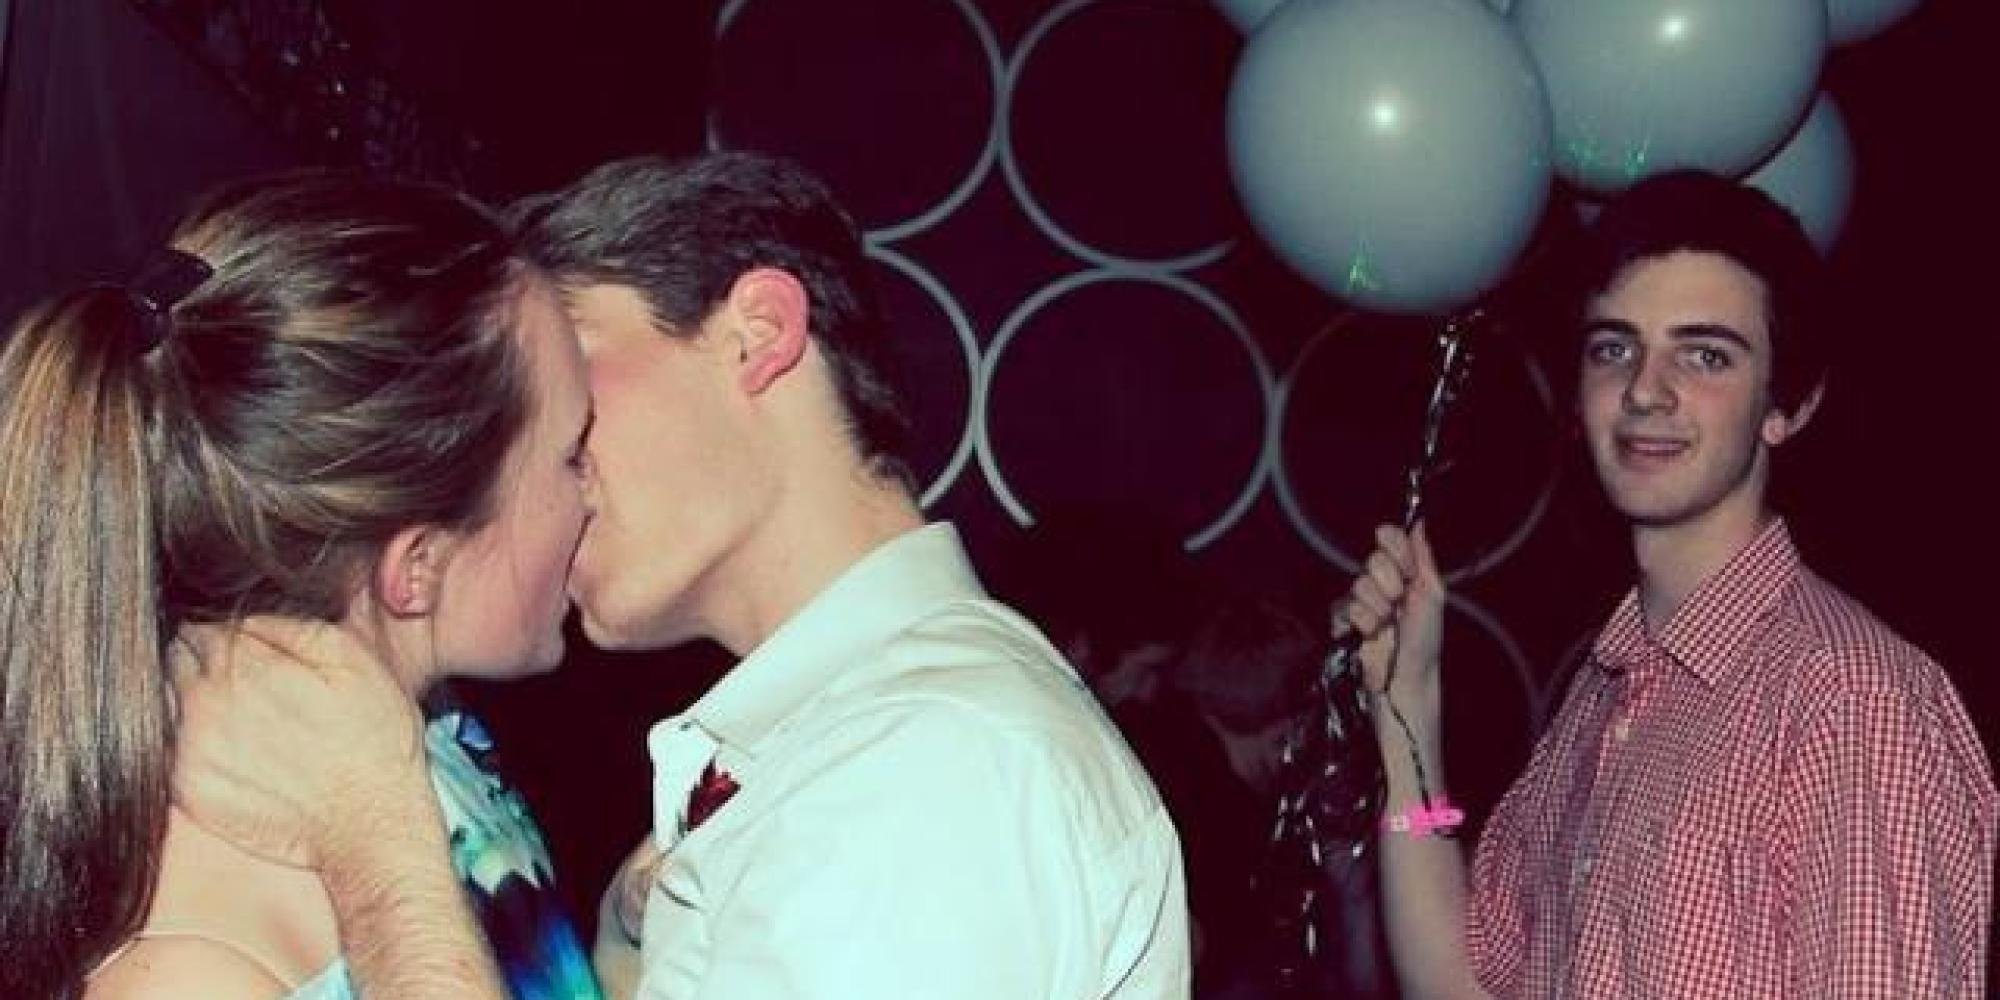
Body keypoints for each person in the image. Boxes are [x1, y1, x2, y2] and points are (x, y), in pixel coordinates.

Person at [172, 150, 1191, 1000]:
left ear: (756, 336)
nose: (541, 464)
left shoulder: (930, 767)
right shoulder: (863, 743)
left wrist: (381, 846)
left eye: (570, 383)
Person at [1343, 171, 1996, 997]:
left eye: (1705, 355)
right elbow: (1459, 983)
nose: (1645, 391)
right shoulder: (1604, 694)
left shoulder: (1850, 700)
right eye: (1614, 348)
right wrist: (1408, 712)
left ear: (1787, 405)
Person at [0, 173, 603, 999]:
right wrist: (382, 851)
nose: (594, 491)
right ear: (417, 568)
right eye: (571, 455)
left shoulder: (418, 729)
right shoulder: (186, 974)